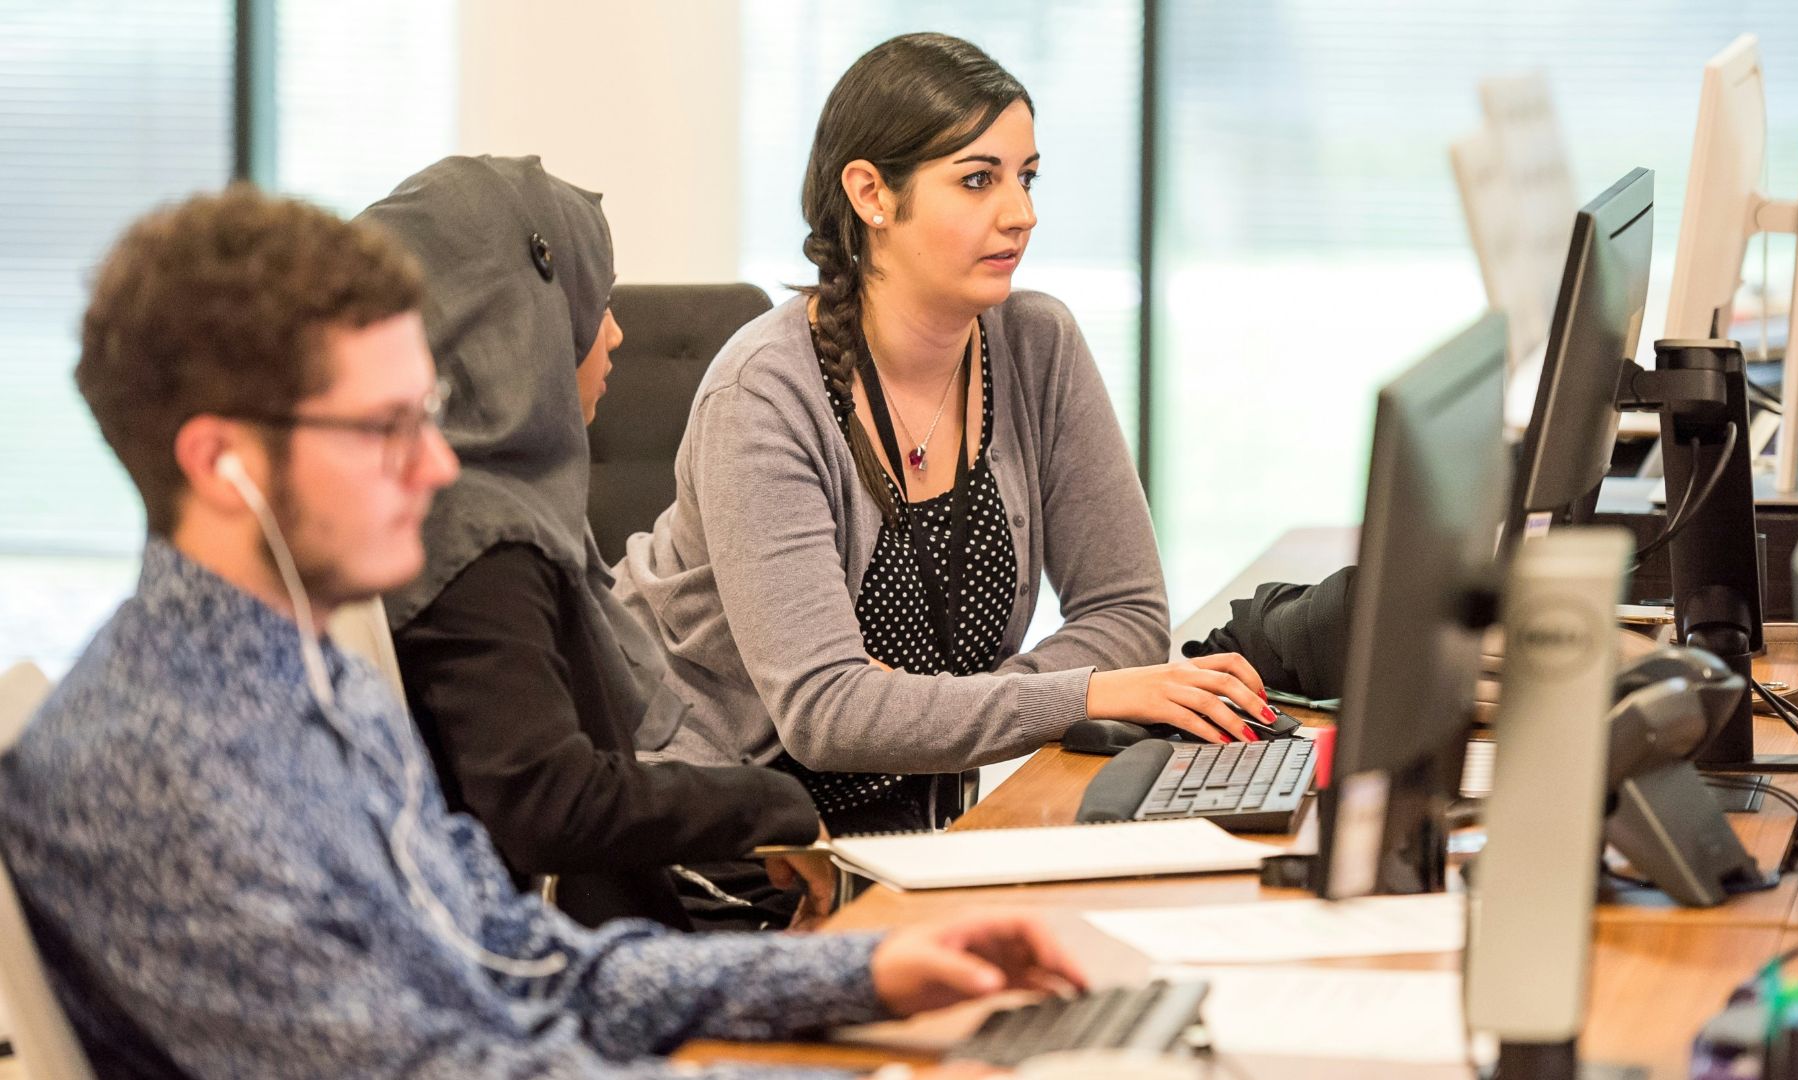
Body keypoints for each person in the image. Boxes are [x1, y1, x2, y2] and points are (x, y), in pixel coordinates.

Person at [0, 184, 1081, 1078]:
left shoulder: (310, 684)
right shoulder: (162, 765)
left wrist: (861, 973)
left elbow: (520, 959)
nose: (435, 466)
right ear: (218, 463)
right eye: (385, 427)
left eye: (427, 415)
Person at [616, 32, 1276, 834]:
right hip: (732, 832)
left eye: (1027, 177)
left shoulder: (1037, 345)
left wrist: (925, 705)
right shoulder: (765, 394)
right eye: (977, 180)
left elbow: (1128, 614)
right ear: (871, 194)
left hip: (922, 821)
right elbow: (826, 713)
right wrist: (1083, 692)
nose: (1021, 214)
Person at [359, 155, 830, 932]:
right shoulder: (481, 541)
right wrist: (769, 805)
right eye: (594, 302)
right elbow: (547, 804)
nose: (614, 332)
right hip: (561, 956)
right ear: (520, 320)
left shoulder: (454, 506)